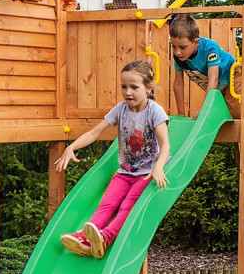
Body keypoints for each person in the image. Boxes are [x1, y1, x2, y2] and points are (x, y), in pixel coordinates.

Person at [56, 60, 170, 259]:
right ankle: (85, 238)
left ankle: (106, 237)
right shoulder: (120, 109)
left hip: (148, 172)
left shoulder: (155, 111)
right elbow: (95, 133)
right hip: (125, 171)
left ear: (147, 88)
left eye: (134, 87)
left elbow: (165, 143)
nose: (128, 92)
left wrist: (159, 166)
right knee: (107, 204)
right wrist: (71, 147)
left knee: (128, 205)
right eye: (124, 86)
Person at [169, 14, 236, 116]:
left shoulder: (209, 48)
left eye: (182, 47)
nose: (177, 52)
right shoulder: (178, 57)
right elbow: (178, 83)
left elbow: (213, 79)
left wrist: (204, 109)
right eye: (174, 46)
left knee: (234, 112)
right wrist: (181, 113)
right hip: (217, 87)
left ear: (196, 42)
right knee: (217, 116)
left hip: (232, 77)